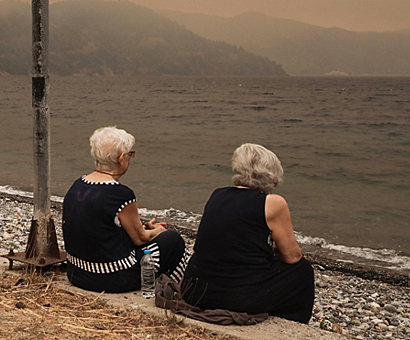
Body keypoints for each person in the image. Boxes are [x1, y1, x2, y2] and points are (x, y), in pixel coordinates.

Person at [181, 143, 314, 323]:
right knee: (303, 270)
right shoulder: (274, 203)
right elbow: (292, 256)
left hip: (194, 289)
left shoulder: (217, 195)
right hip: (235, 297)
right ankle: (293, 322)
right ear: (270, 174)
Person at [62, 126, 189, 293]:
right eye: (130, 154)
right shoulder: (121, 194)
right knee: (173, 240)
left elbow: (99, 227)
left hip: (78, 273)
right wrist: (158, 231)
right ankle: (171, 287)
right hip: (112, 278)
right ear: (121, 158)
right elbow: (141, 239)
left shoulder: (78, 185)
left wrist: (139, 226)